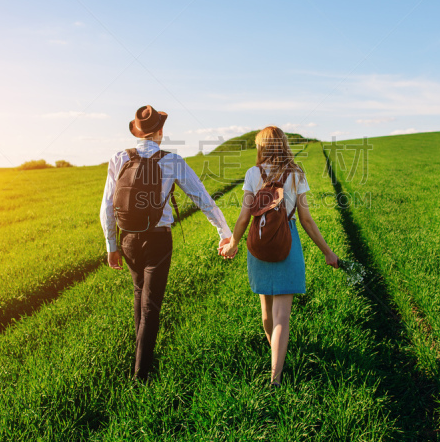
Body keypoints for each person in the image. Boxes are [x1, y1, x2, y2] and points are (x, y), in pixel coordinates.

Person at [100, 105, 232, 381]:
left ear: (137, 132)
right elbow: (202, 199)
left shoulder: (120, 158)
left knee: (139, 297)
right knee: (151, 306)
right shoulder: (172, 161)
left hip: (128, 239)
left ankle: (140, 360)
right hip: (158, 239)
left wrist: (112, 246)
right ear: (160, 132)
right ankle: (142, 374)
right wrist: (224, 232)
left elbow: (107, 207)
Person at [220, 126, 339, 387]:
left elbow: (243, 217)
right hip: (288, 241)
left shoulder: (253, 174)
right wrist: (328, 252)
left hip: (260, 242)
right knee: (282, 315)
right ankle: (276, 377)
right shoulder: (296, 174)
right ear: (283, 144)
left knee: (267, 310)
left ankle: (276, 355)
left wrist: (233, 243)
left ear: (262, 146)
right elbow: (306, 219)